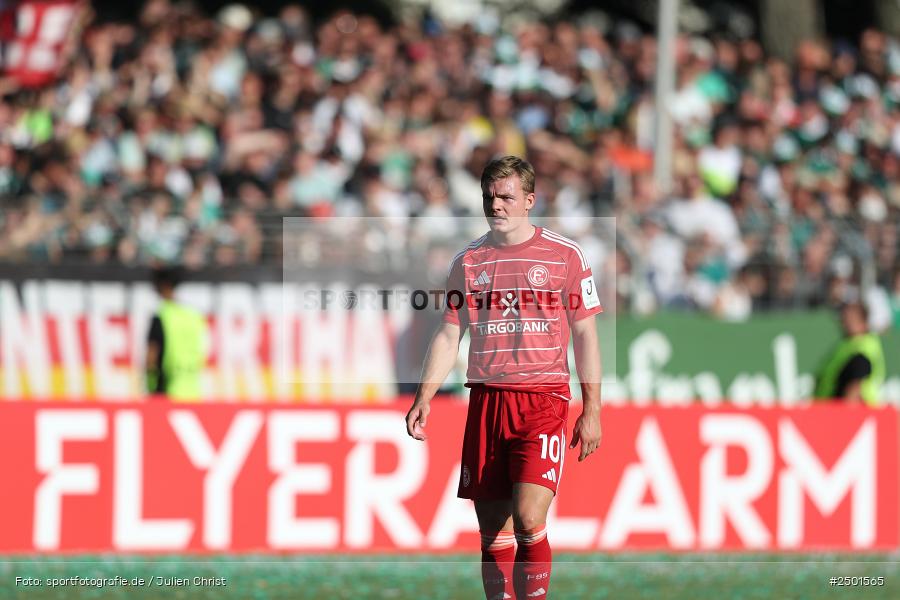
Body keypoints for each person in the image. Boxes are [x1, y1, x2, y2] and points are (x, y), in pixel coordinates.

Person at [405, 156, 603, 600]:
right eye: (489, 197)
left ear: (529, 201)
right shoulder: (470, 261)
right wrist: (425, 396)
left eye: (506, 197)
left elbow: (586, 332)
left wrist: (593, 408)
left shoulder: (565, 256)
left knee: (530, 517)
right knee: (494, 530)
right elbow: (449, 331)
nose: (496, 206)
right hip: (488, 403)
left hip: (543, 401)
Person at [146, 267, 208, 401]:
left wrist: (150, 385)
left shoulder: (161, 316)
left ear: (164, 287)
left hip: (166, 391)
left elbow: (152, 356)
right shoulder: (194, 316)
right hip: (193, 391)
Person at [814, 301, 885, 405]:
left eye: (851, 318)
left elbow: (855, 388)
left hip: (853, 414)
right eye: (844, 318)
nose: (844, 322)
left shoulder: (862, 349)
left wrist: (847, 415)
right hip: (827, 409)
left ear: (863, 321)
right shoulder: (847, 344)